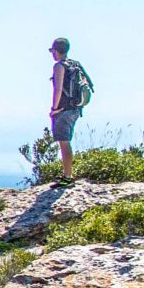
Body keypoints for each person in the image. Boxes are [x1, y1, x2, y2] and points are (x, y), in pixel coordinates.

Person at [47, 38, 91, 181]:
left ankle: (67, 177)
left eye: (51, 51)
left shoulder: (59, 66)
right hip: (76, 108)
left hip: (64, 109)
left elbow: (58, 89)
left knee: (64, 142)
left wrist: (54, 108)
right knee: (66, 141)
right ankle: (68, 174)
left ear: (55, 50)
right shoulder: (74, 64)